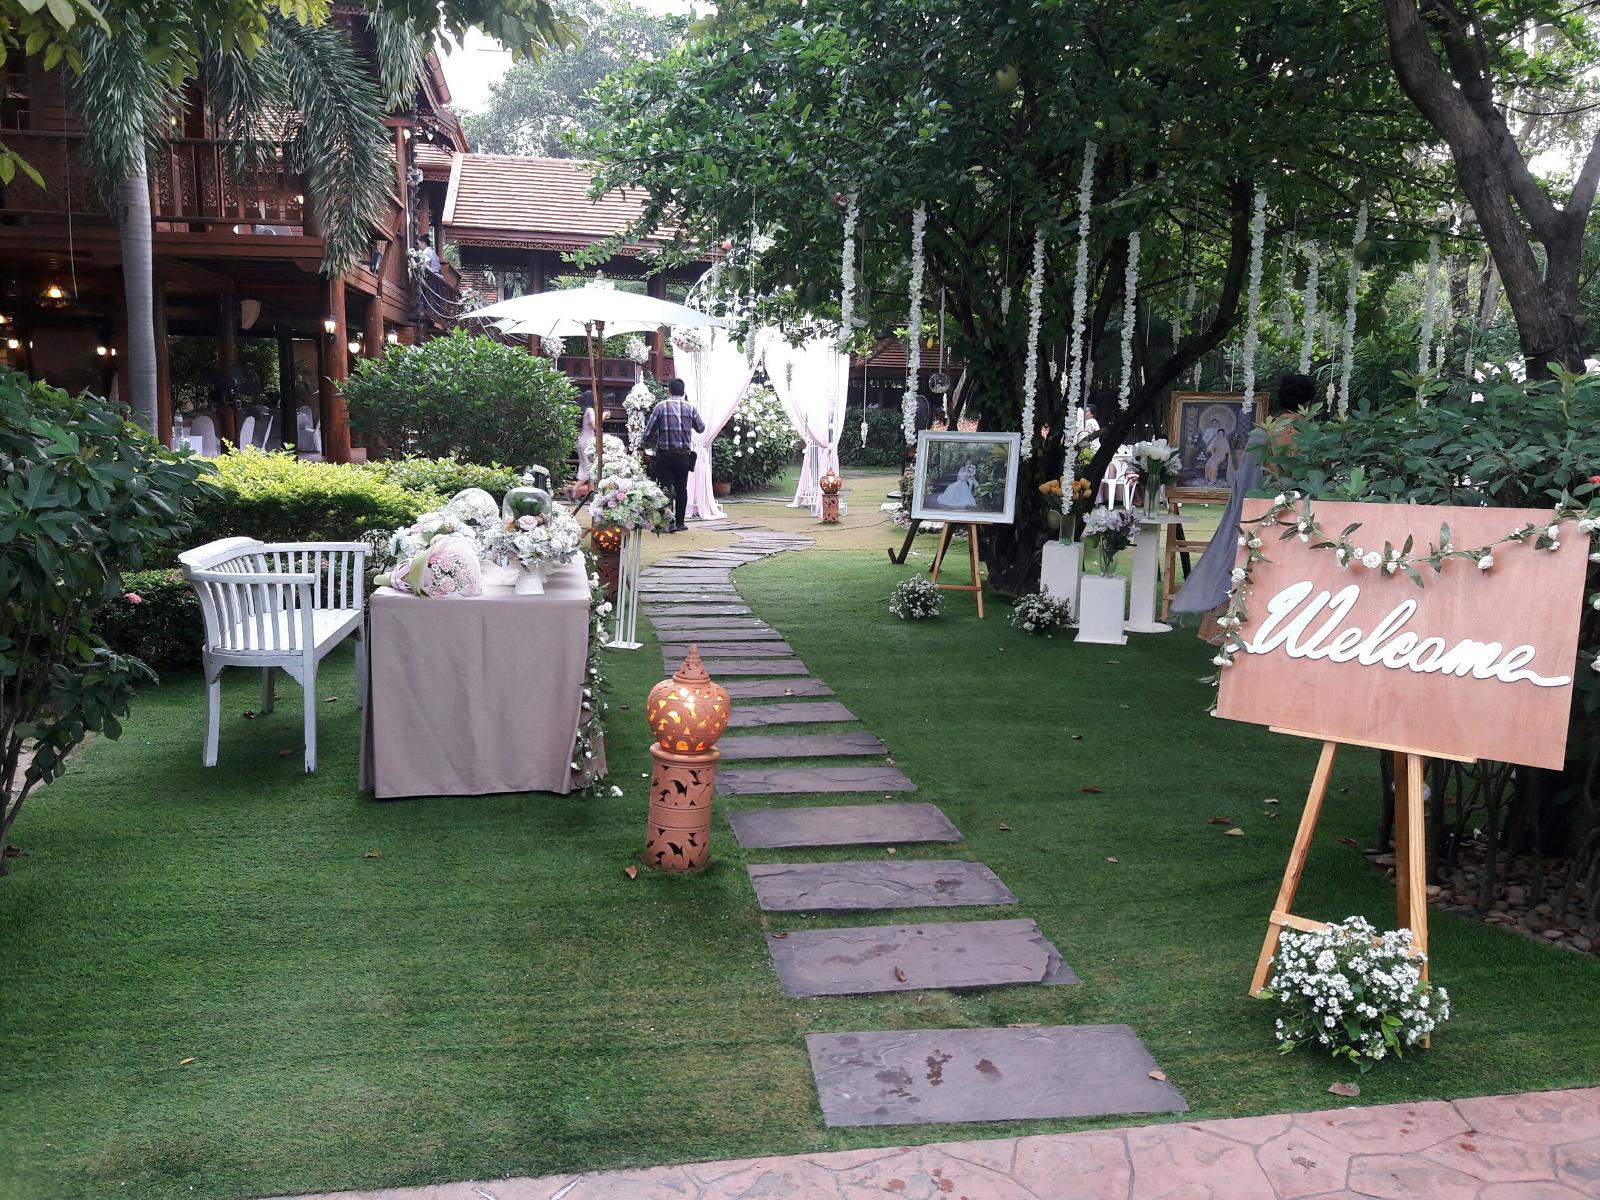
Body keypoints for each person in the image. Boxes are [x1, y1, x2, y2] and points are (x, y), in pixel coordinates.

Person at [1171, 373, 1318, 619]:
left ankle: (1239, 620)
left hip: (1257, 514)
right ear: (1309, 403)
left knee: (1252, 568)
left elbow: (1244, 481)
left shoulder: (1262, 433)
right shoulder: (1308, 434)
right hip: (1296, 518)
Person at [643, 377, 704, 532]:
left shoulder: (661, 406)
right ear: (683, 391)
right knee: (682, 488)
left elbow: (649, 430)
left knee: (666, 487)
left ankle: (669, 523)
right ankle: (680, 523)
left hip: (665, 454)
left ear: (668, 390)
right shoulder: (690, 408)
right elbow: (701, 428)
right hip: (684, 455)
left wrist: (643, 445)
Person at [574, 389, 597, 491]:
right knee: (589, 469)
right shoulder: (590, 410)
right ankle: (574, 489)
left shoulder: (583, 410)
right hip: (588, 442)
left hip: (582, 440)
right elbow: (594, 425)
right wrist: (603, 416)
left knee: (586, 467)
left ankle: (590, 491)